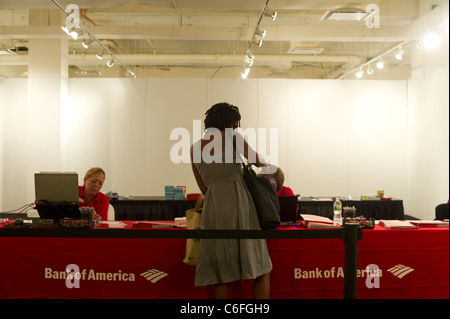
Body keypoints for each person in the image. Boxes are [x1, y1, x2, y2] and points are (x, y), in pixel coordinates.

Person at [190, 102, 272, 299]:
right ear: (231, 122)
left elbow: (203, 188)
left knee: (221, 272)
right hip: (240, 203)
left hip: (215, 207)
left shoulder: (194, 148)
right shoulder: (233, 137)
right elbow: (261, 162)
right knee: (261, 266)